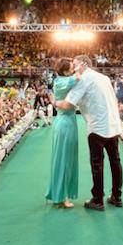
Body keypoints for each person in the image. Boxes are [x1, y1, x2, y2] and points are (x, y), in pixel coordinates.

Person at [56, 55, 123, 211]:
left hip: (97, 128)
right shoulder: (104, 78)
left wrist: (55, 101)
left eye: (74, 64)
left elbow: (67, 104)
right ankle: (117, 196)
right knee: (115, 161)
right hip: (112, 126)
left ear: (83, 64)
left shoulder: (84, 79)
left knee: (97, 165)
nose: (73, 67)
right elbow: (114, 101)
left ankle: (98, 200)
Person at [46, 59, 79, 208]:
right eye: (71, 67)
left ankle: (58, 194)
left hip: (65, 122)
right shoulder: (65, 81)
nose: (74, 69)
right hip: (66, 124)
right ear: (65, 71)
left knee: (63, 160)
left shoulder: (59, 80)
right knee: (65, 161)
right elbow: (79, 77)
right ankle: (62, 196)